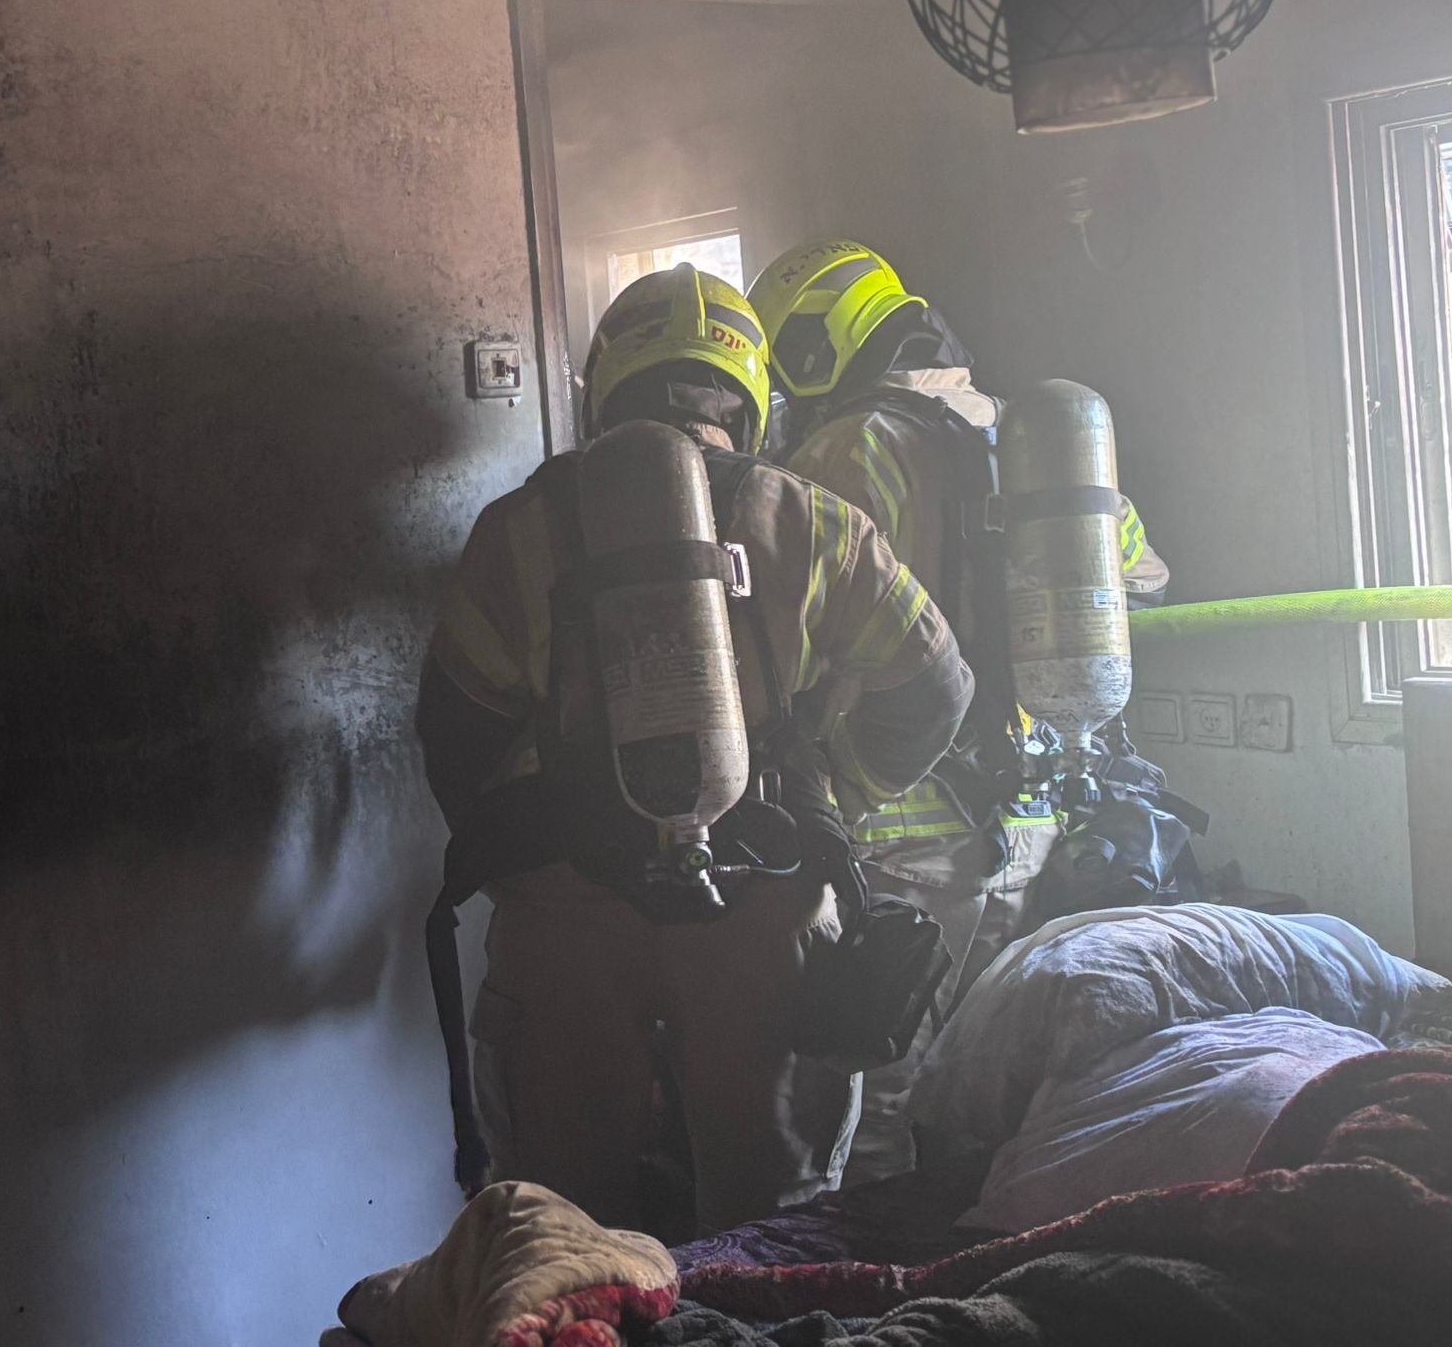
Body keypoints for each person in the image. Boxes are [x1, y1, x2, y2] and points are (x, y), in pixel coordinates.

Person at [417, 264, 973, 1234]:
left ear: (605, 387)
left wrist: (544, 865)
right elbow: (935, 689)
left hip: (566, 925)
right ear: (748, 394)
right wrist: (833, 794)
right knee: (776, 1224)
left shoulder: (517, 531)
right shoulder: (815, 522)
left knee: (564, 1228)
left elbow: (455, 732)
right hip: (767, 913)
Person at [749, 238, 1170, 1184]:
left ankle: (879, 1269)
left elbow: (790, 640)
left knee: (871, 1105)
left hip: (895, 828)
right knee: (988, 1091)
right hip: (1029, 818)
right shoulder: (1026, 433)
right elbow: (1140, 574)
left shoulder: (849, 448)